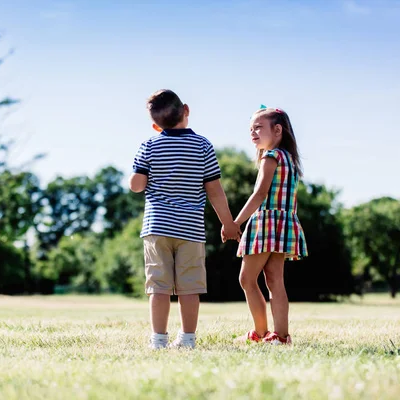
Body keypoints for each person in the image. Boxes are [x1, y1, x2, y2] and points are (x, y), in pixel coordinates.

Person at [129, 89, 241, 349]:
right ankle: (188, 339)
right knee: (190, 287)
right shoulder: (203, 146)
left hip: (157, 226)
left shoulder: (149, 145)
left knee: (158, 286)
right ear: (186, 110)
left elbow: (136, 186)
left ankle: (158, 339)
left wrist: (138, 173)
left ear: (156, 125)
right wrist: (228, 223)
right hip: (190, 229)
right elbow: (214, 190)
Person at [227, 106, 308, 345]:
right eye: (250, 128)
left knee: (246, 279)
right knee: (275, 281)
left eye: (258, 127)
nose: (252, 132)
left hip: (266, 223)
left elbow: (259, 194)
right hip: (285, 223)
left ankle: (260, 333)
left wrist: (235, 222)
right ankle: (281, 336)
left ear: (277, 130)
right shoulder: (290, 159)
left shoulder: (270, 157)